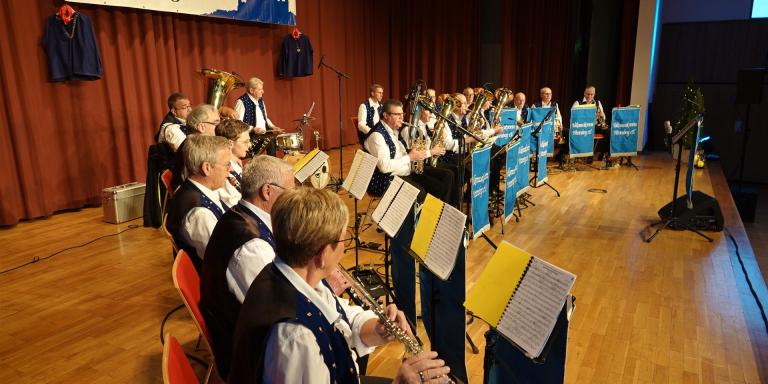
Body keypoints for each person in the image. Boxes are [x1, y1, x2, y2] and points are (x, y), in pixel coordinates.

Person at [228, 187, 451, 383]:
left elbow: (339, 317)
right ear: (323, 254)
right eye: (344, 241)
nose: (344, 249)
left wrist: (377, 328)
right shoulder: (295, 337)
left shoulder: (294, 273)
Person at [200, 155, 295, 378]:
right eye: (290, 191)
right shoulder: (252, 247)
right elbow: (279, 311)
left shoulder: (240, 214)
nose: (294, 198)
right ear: (267, 191)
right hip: (251, 357)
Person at [166, 135, 231, 271]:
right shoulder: (200, 214)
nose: (230, 170)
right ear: (207, 168)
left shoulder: (198, 190)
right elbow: (223, 260)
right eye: (227, 165)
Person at [171, 104, 220, 188]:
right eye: (215, 123)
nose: (219, 127)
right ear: (201, 127)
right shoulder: (193, 149)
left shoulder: (202, 144)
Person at [234, 77, 283, 156]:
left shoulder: (260, 101)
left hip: (263, 134)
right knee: (270, 139)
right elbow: (237, 123)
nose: (263, 92)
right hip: (250, 136)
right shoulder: (241, 102)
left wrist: (273, 127)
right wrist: (252, 129)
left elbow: (265, 118)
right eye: (260, 89)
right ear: (251, 90)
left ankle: (273, 163)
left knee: (273, 137)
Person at [215, 119, 252, 207]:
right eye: (245, 142)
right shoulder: (225, 171)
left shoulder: (236, 165)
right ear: (230, 144)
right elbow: (234, 203)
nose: (250, 145)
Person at [572, 85, 610, 164]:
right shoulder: (578, 103)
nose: (589, 96)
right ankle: (590, 156)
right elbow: (573, 116)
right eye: (588, 94)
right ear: (584, 93)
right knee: (590, 132)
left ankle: (604, 153)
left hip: (595, 125)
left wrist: (603, 115)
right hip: (582, 126)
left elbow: (603, 117)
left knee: (610, 132)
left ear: (594, 94)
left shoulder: (597, 103)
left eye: (592, 94)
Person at [533, 87, 565, 166]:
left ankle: (560, 157)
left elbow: (559, 116)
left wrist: (560, 126)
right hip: (541, 129)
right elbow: (533, 119)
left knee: (566, 133)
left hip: (552, 128)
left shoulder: (555, 104)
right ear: (541, 95)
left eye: (550, 94)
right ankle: (541, 159)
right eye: (546, 94)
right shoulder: (535, 105)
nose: (548, 95)